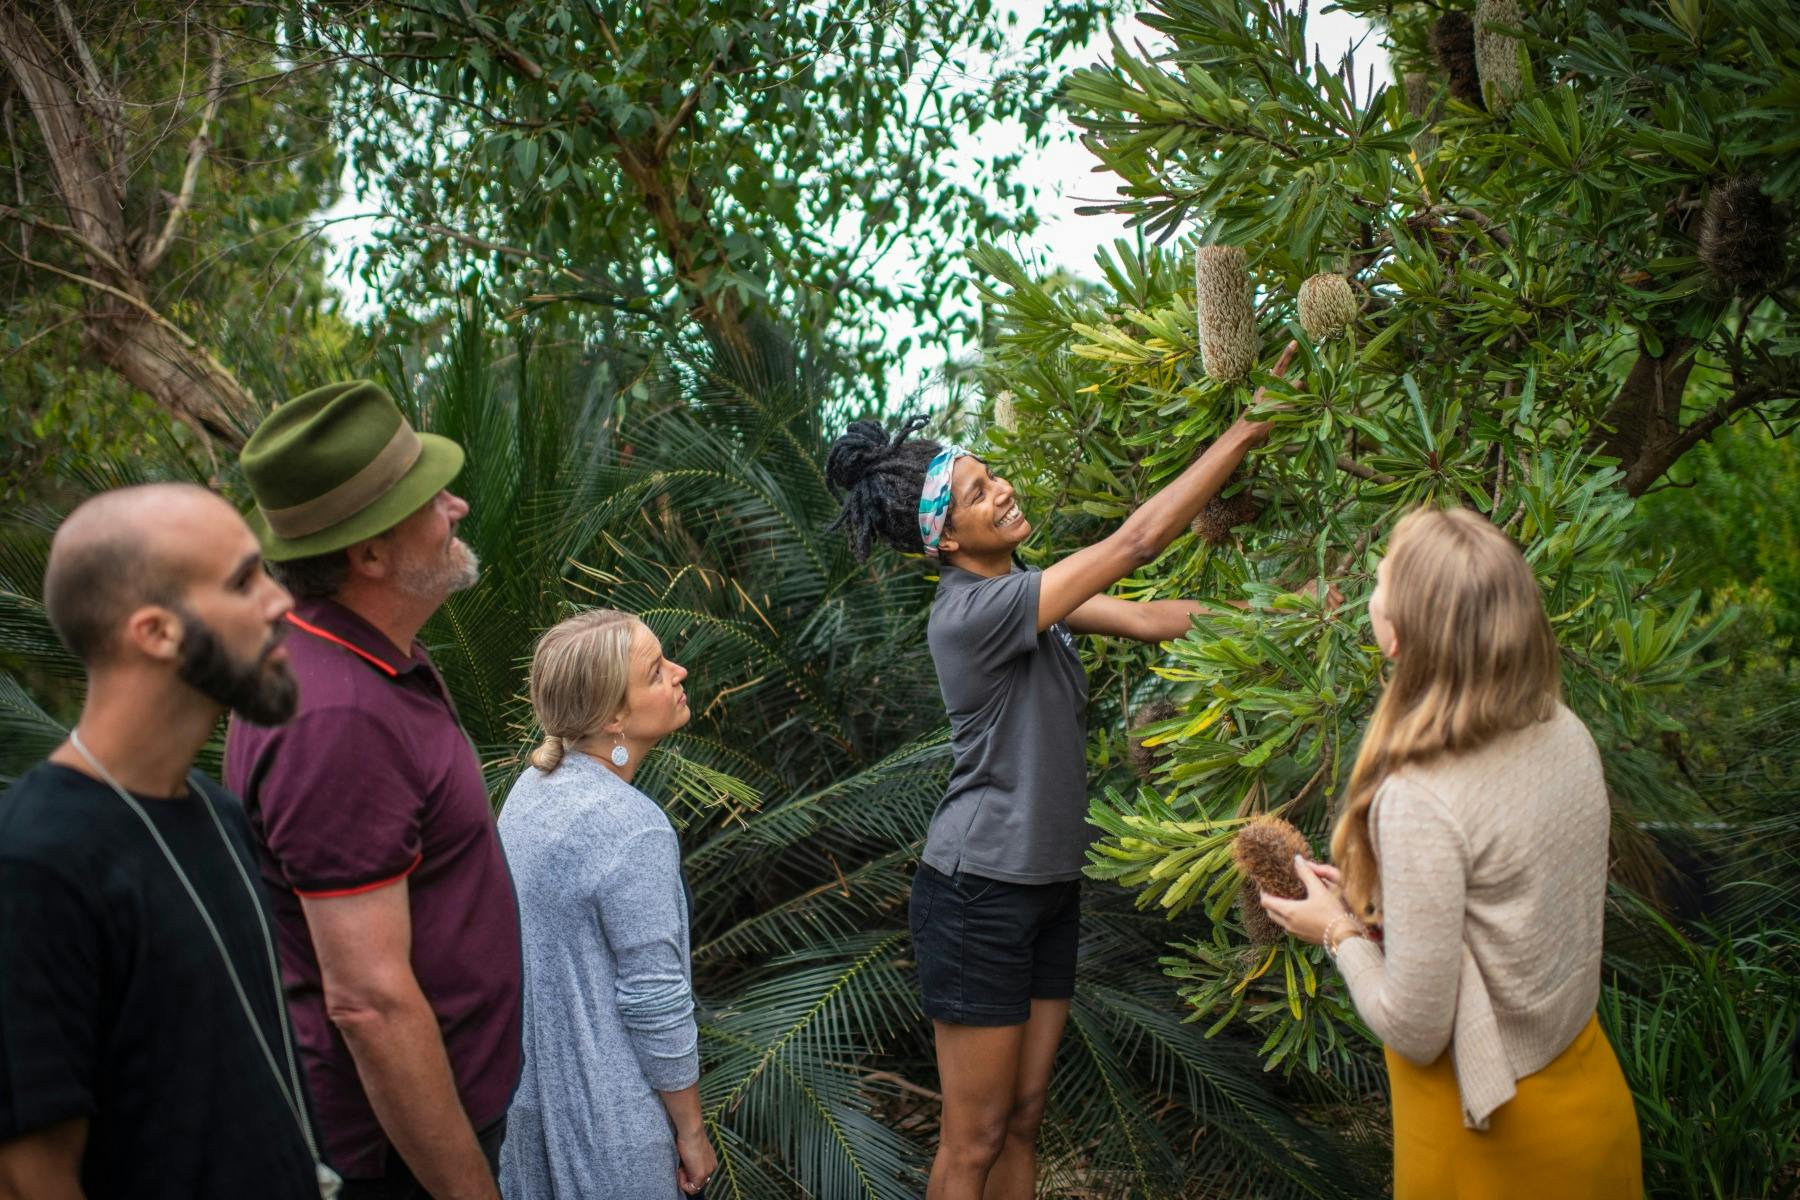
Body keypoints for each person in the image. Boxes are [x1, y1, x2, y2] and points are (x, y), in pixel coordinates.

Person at [823, 344, 1299, 1200]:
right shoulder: (975, 611)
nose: (1000, 489)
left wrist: (1295, 612)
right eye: (976, 493)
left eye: (992, 475)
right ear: (946, 536)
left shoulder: (1030, 587)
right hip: (978, 894)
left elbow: (1155, 617)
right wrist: (1250, 426)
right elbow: (1140, 540)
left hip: (1045, 884)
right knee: (971, 1141)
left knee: (1026, 1114)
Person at [1261, 506, 1643, 1199]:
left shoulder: (1421, 797)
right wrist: (1384, 900)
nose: (1370, 593)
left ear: (1403, 634)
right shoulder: (1563, 730)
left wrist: (1339, 932)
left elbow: (1415, 1027)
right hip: (1587, 1094)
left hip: (1489, 1130)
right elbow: (1509, 905)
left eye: (1381, 580)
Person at [225, 381, 522, 1200]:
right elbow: (369, 1004)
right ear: (369, 555)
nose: (456, 506)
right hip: (404, 1158)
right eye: (430, 499)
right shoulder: (336, 718)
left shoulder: (359, 655)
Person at [0, 483, 329, 1199]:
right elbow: (32, 1177)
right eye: (244, 582)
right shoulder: (33, 864)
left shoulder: (215, 810)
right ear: (155, 632)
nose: (282, 604)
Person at [496, 609, 717, 1199]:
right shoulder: (630, 827)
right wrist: (692, 1132)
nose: (679, 671)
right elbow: (654, 998)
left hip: (531, 1117)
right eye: (654, 671)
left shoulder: (531, 791)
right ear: (614, 716)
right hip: (610, 1135)